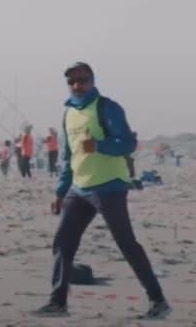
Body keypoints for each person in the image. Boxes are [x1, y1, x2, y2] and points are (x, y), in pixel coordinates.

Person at [32, 63, 169, 319]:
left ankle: (158, 300)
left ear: (92, 81)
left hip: (109, 187)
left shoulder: (107, 107)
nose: (77, 85)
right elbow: (68, 157)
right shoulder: (68, 114)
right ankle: (57, 302)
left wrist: (99, 145)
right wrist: (60, 192)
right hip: (78, 188)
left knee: (126, 243)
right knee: (63, 242)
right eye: (72, 81)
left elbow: (128, 143)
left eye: (82, 80)